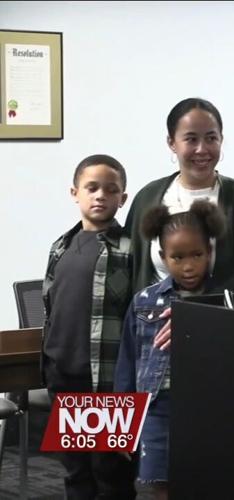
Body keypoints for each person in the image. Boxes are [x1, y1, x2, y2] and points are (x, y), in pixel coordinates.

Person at [114, 200, 225, 499]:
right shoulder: (144, 301)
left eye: (197, 255)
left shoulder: (226, 301)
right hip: (157, 409)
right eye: (177, 257)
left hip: (209, 409)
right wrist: (122, 426)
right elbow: (127, 363)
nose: (188, 266)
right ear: (163, 256)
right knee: (158, 485)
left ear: (210, 252)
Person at [42, 154, 137, 498]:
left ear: (122, 199)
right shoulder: (60, 246)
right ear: (74, 193)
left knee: (110, 471)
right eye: (92, 188)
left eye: (110, 190)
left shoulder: (129, 249)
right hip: (62, 373)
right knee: (75, 470)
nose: (100, 196)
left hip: (106, 378)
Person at [125, 97, 234, 294]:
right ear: (171, 142)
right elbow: (130, 266)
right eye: (191, 139)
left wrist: (199, 311)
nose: (202, 149)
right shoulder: (147, 198)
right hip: (152, 319)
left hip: (223, 319)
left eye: (211, 138)